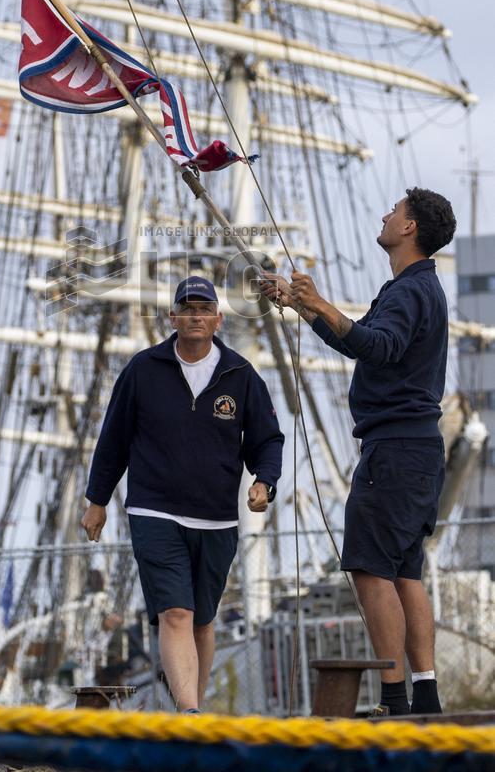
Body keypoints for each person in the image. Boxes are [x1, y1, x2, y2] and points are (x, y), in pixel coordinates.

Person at [263, 187, 456, 716]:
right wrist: (306, 306)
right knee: (404, 571)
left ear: (410, 228)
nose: (385, 213)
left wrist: (319, 300)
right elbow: (358, 341)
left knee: (371, 568)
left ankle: (394, 699)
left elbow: (378, 346)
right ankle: (425, 696)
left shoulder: (409, 293)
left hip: (394, 449)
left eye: (394, 209)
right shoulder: (417, 289)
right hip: (416, 449)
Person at [81, 275, 284, 713]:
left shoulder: (240, 375)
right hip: (154, 511)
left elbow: (268, 439)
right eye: (186, 309)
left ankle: (192, 709)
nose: (194, 316)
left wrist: (264, 480)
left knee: (203, 622)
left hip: (216, 518)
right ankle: (190, 714)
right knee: (176, 613)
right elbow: (113, 437)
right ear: (172, 317)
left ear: (218, 319)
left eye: (203, 309)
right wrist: (97, 500)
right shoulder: (142, 370)